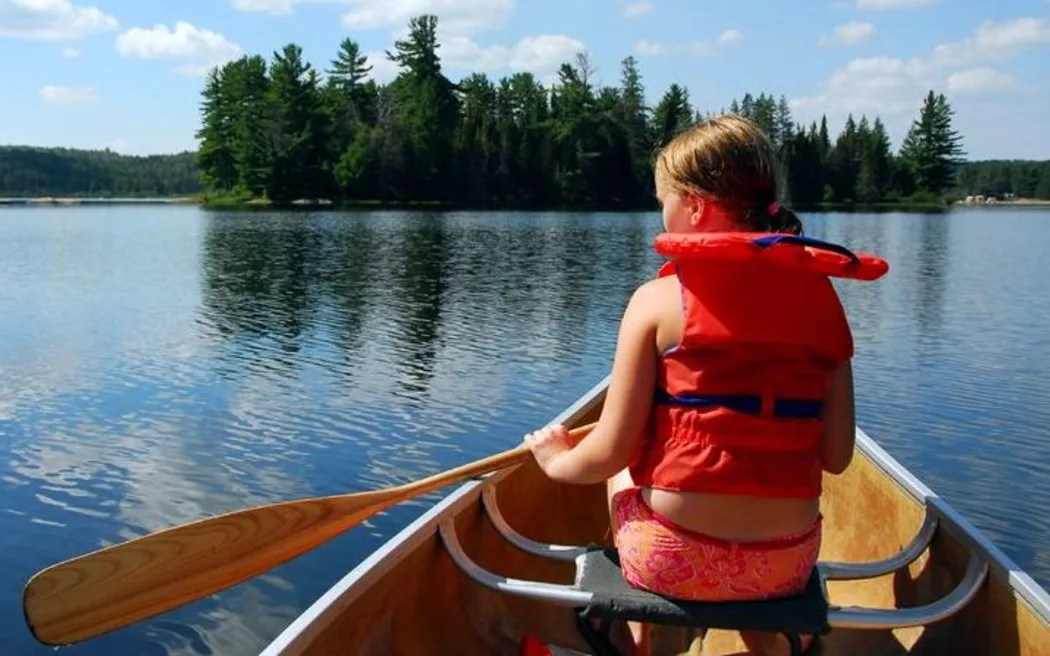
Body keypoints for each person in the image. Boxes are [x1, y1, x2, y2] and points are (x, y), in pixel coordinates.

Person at [523, 114, 888, 656]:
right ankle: (771, 644)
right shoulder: (824, 300)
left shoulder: (655, 302)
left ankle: (641, 634)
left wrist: (554, 460)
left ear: (693, 206)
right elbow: (835, 456)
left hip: (671, 560)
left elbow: (609, 452)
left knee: (627, 465)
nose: (661, 214)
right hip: (783, 567)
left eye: (663, 201)